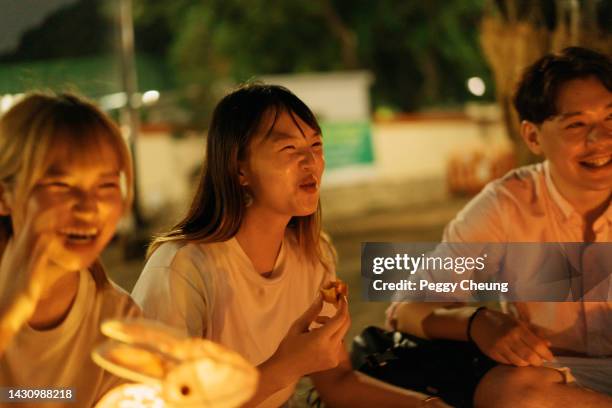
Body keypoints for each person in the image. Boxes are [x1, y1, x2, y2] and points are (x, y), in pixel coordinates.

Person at [132, 84, 448, 407]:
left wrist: (425, 405)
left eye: (315, 145)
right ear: (238, 167)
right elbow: (162, 401)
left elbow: (336, 381)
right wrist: (286, 366)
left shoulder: (313, 256)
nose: (311, 162)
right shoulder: (182, 269)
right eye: (289, 149)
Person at [387, 46, 612, 407]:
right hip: (555, 379)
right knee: (510, 393)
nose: (600, 140)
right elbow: (406, 308)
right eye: (577, 124)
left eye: (610, 119)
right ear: (533, 137)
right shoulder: (506, 206)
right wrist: (478, 321)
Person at [0, 93, 141, 407]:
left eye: (106, 185)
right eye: (60, 185)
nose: (88, 208)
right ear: (3, 195)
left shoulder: (119, 321)